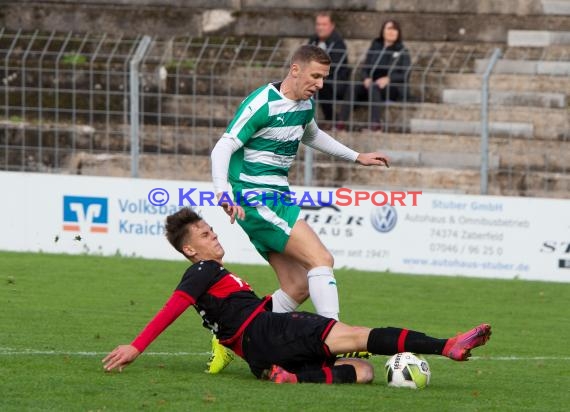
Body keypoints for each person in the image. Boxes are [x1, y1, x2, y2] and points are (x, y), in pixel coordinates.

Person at [102, 208, 492, 384]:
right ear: (190, 250)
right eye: (205, 235)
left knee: (364, 372)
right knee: (358, 336)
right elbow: (174, 306)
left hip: (261, 353)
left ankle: (291, 378)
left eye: (212, 230)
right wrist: (137, 347)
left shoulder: (216, 278)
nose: (214, 236)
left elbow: (240, 316)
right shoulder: (203, 270)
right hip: (269, 333)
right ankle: (448, 346)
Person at [209, 44, 390, 371]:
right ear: (295, 69)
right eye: (315, 76)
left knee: (298, 285)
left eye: (324, 77)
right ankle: (334, 341)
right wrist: (224, 193)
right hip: (254, 195)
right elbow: (223, 147)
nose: (320, 84)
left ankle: (237, 335)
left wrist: (357, 156)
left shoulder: (305, 104)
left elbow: (313, 135)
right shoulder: (261, 104)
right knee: (321, 259)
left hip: (278, 195)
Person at [339, 19, 412, 131]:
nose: (391, 32)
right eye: (389, 28)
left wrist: (388, 79)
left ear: (398, 33)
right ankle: (340, 123)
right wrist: (366, 78)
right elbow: (364, 69)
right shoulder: (375, 47)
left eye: (394, 29)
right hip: (372, 85)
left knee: (374, 87)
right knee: (353, 87)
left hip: (392, 87)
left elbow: (405, 74)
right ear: (383, 31)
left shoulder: (402, 51)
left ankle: (375, 125)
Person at [308, 11, 351, 127]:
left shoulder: (338, 43)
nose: (320, 27)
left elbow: (334, 67)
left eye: (324, 24)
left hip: (335, 81)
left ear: (332, 26)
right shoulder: (313, 40)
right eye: (318, 24)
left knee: (321, 86)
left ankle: (330, 119)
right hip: (316, 77)